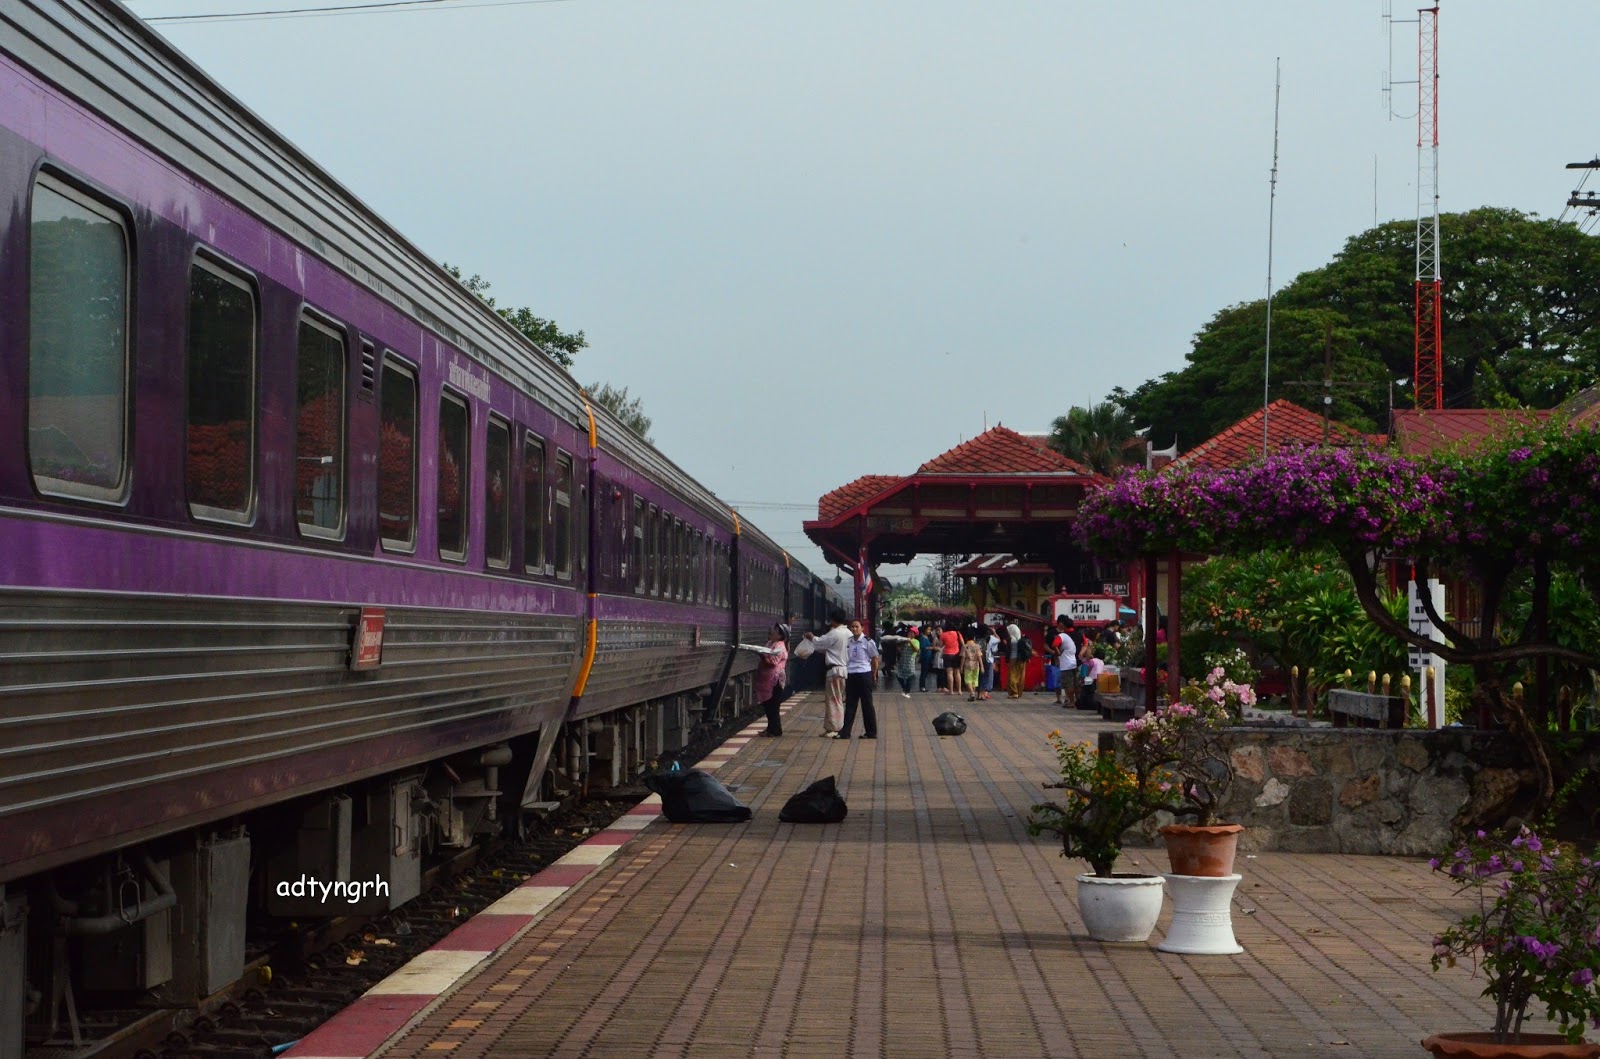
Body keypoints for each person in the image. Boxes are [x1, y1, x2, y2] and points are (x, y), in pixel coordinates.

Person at [803, 609, 851, 734]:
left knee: (833, 700)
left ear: (833, 620)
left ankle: (835, 728)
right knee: (838, 698)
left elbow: (820, 644)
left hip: (834, 671)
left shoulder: (834, 633)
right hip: (843, 670)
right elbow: (828, 649)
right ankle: (833, 727)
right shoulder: (848, 633)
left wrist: (811, 637)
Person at [836, 618, 880, 739]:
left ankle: (871, 732)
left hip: (864, 674)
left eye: (857, 627)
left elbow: (875, 658)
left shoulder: (868, 642)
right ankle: (845, 732)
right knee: (850, 704)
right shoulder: (849, 641)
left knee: (867, 704)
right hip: (851, 674)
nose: (854, 629)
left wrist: (874, 674)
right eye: (852, 627)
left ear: (862, 628)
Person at [755, 622, 789, 736]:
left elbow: (772, 663)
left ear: (780, 635)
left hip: (775, 681)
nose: (772, 631)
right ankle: (771, 729)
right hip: (767, 680)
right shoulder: (771, 643)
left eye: (774, 630)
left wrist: (762, 656)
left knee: (773, 706)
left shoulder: (779, 646)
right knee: (768, 705)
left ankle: (775, 730)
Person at [881, 626, 920, 698]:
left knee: (909, 676)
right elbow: (900, 651)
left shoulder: (916, 641)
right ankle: (904, 687)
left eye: (912, 633)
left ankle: (907, 691)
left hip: (910, 661)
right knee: (899, 675)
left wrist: (910, 642)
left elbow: (916, 650)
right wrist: (898, 645)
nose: (910, 634)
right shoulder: (904, 641)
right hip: (902, 660)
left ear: (915, 635)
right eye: (909, 633)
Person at [1054, 616, 1078, 707]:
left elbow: (1054, 644)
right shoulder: (1078, 634)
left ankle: (1071, 702)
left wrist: (1058, 653)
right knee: (1075, 683)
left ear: (1062, 624)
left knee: (1068, 684)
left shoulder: (1062, 636)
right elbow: (1085, 644)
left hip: (1066, 664)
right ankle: (1076, 701)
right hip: (1074, 662)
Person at [1005, 619, 1026, 698]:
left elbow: (1008, 650)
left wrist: (1007, 660)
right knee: (1020, 676)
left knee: (1012, 675)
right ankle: (1019, 692)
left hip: (1013, 658)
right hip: (1022, 659)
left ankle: (1014, 692)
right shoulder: (1020, 638)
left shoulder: (1011, 639)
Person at [961, 629, 984, 702]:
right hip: (976, 664)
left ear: (966, 637)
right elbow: (979, 657)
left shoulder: (965, 646)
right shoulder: (977, 646)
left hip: (968, 664)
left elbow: (963, 657)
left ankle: (972, 693)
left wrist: (961, 666)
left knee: (968, 679)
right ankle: (972, 694)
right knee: (974, 680)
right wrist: (982, 666)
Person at [940, 622, 963, 695]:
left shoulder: (943, 635)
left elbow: (941, 645)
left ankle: (951, 691)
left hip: (947, 654)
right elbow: (962, 643)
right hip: (956, 654)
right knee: (957, 672)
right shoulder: (957, 633)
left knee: (949, 673)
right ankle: (959, 690)